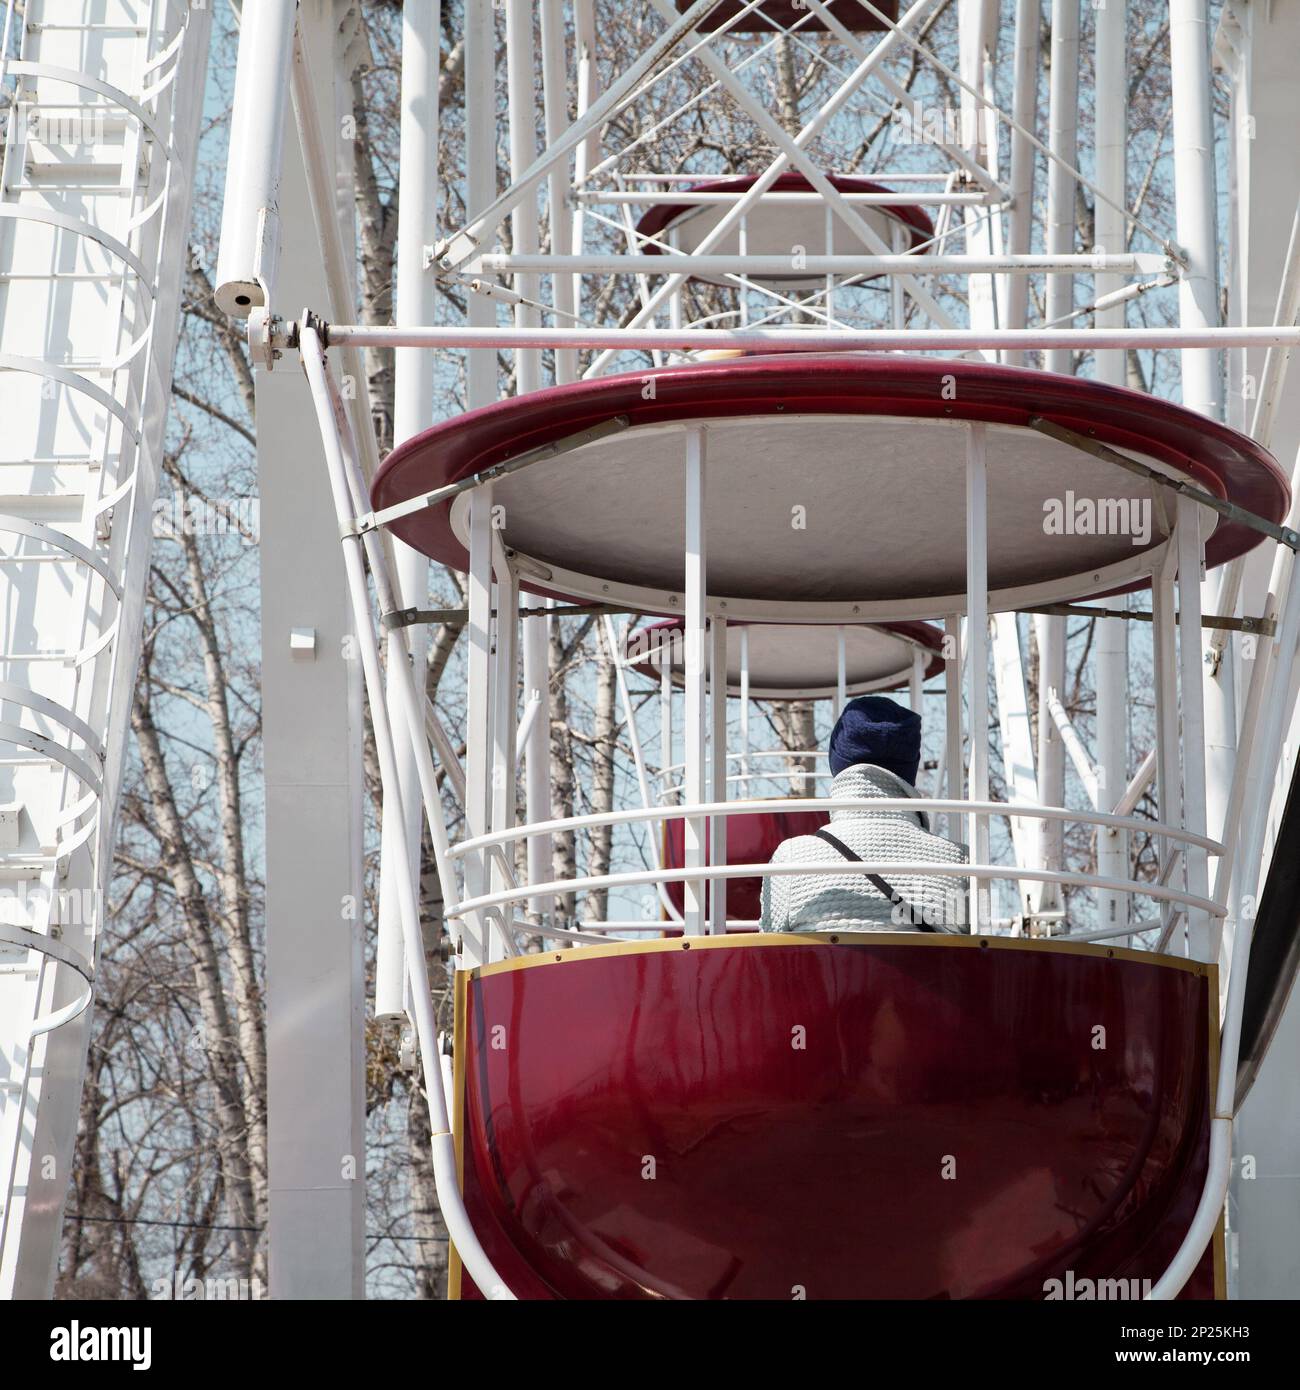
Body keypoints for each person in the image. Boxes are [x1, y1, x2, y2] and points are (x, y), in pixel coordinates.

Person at [760, 694, 968, 934]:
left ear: (837, 763)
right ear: (910, 768)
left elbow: (768, 957)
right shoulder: (961, 862)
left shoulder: (792, 859)